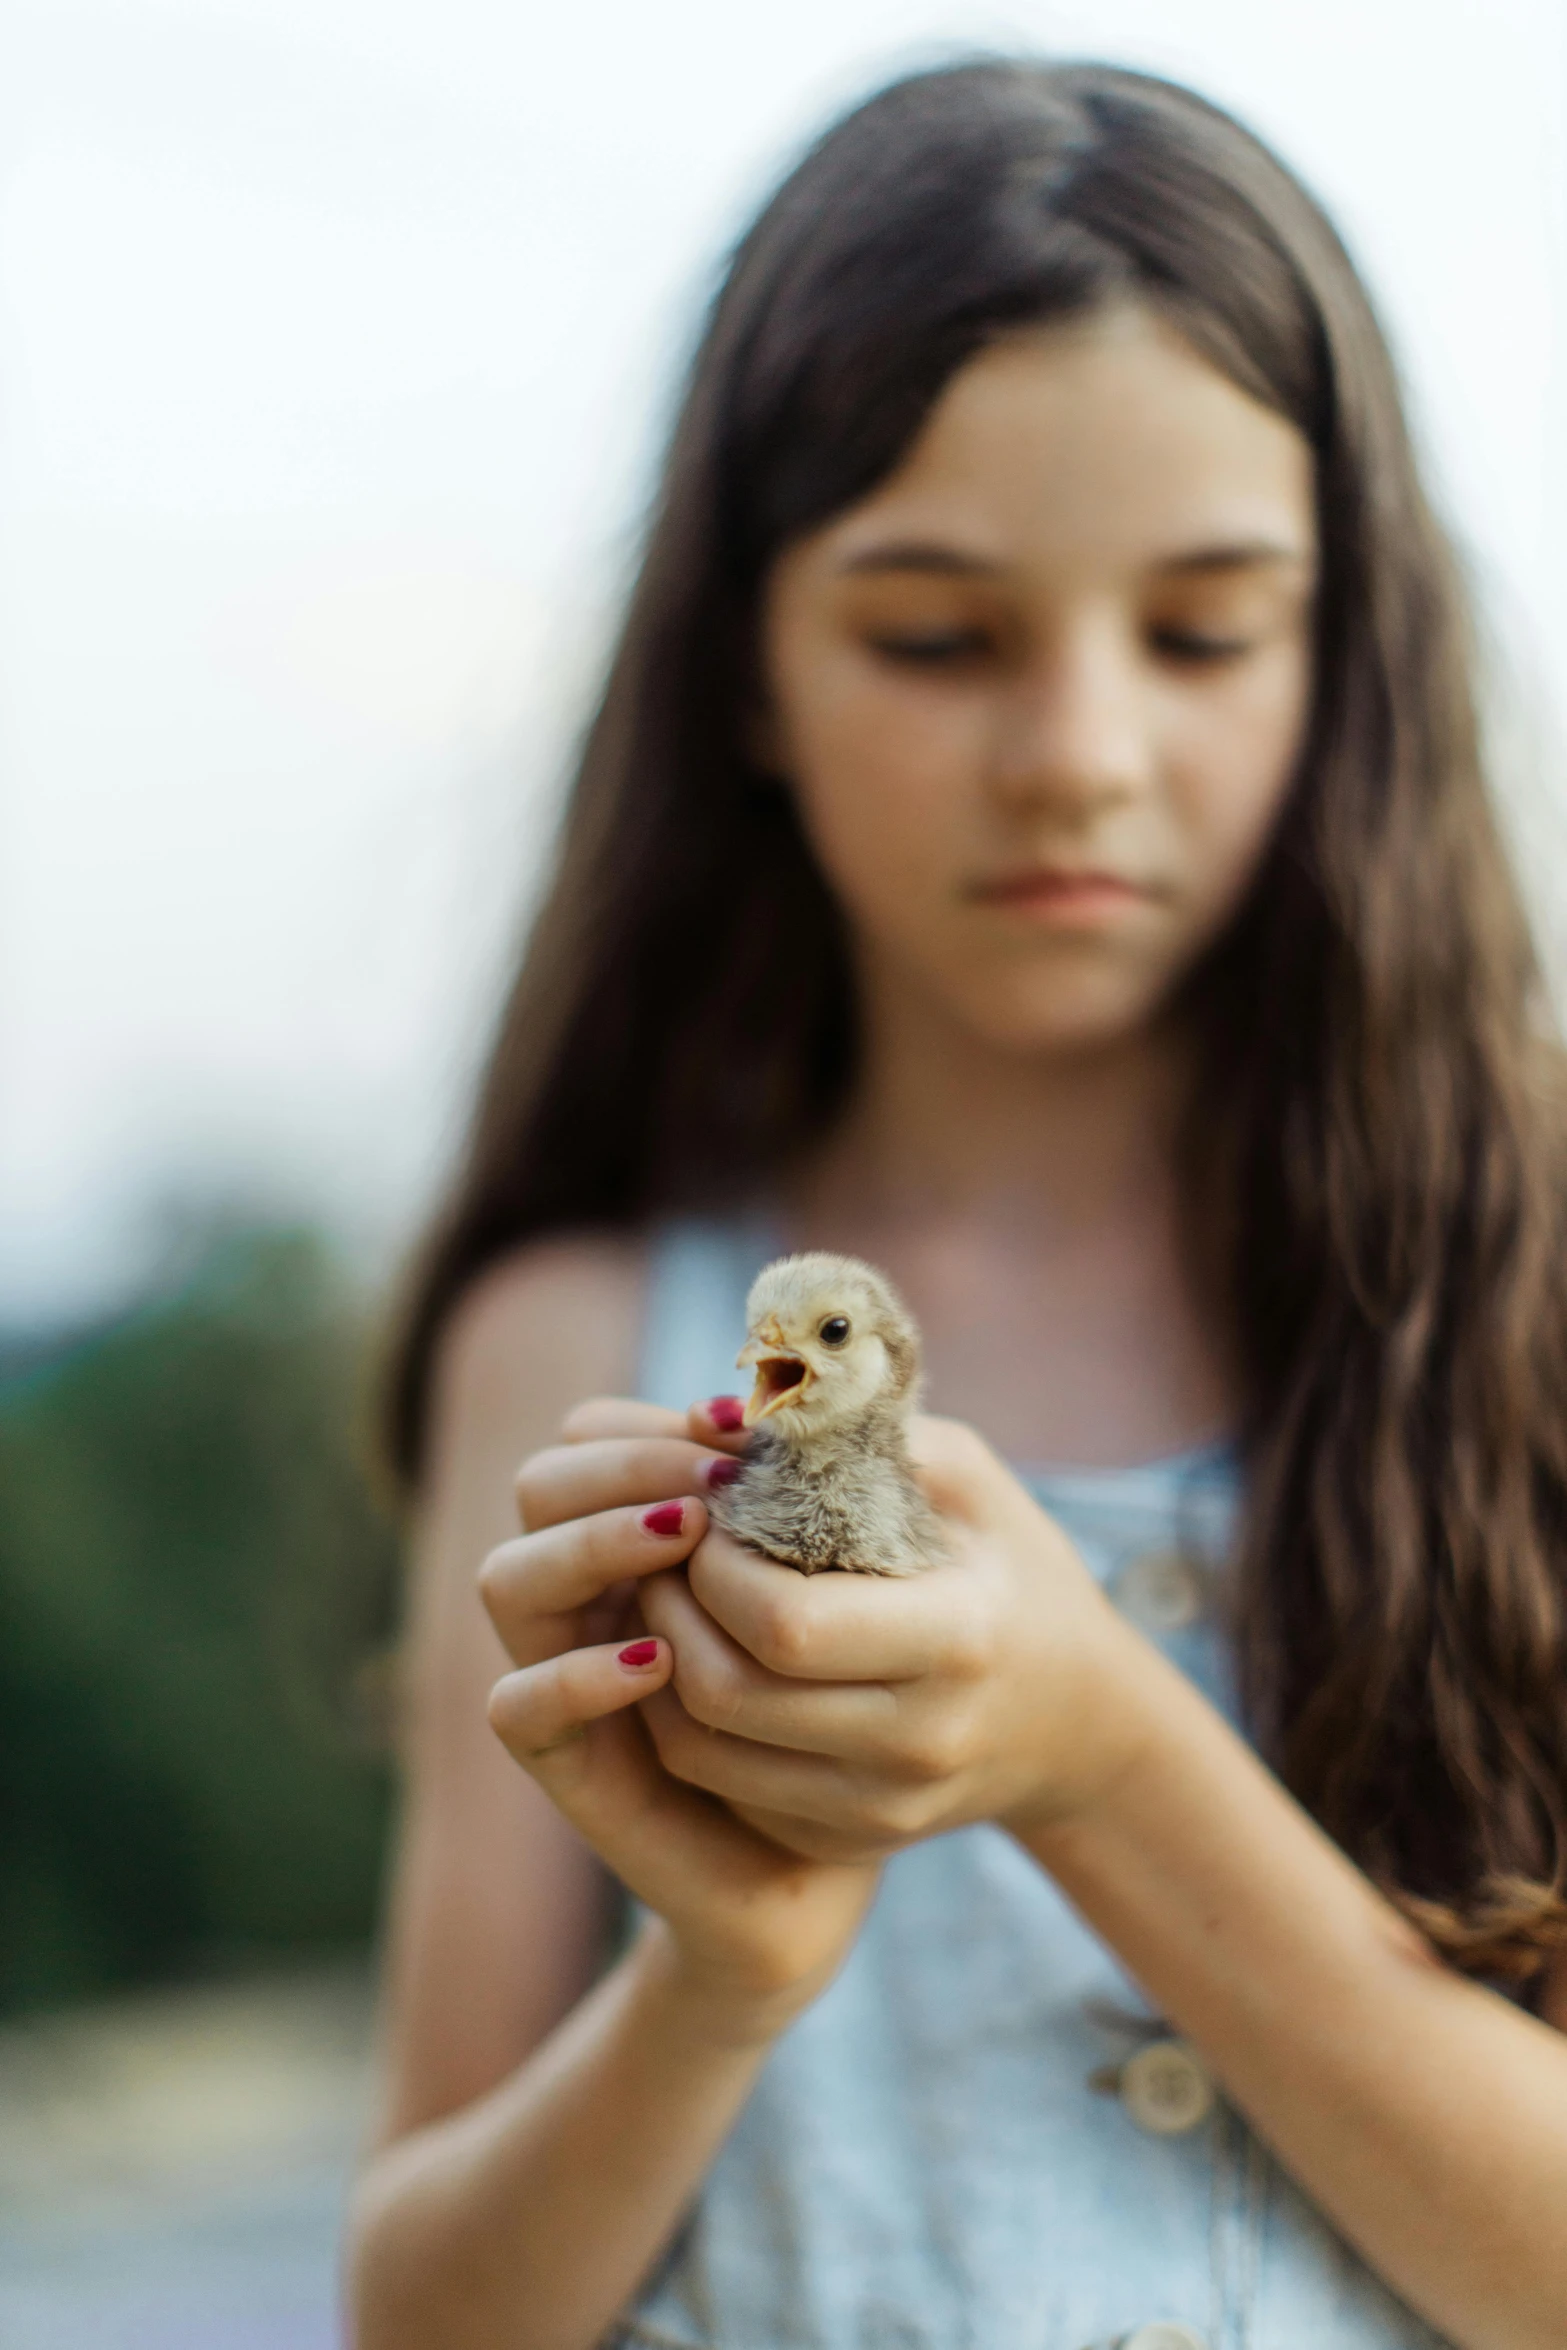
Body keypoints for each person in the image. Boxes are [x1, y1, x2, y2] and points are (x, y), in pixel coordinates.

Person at [347, 58, 1567, 2350]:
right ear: (751, 673)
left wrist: (1103, 1750)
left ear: (1350, 654)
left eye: (1204, 630)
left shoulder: (1532, 1279)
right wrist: (721, 1978)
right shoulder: (584, 1328)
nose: (1082, 748)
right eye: (936, 633)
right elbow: (418, 2308)